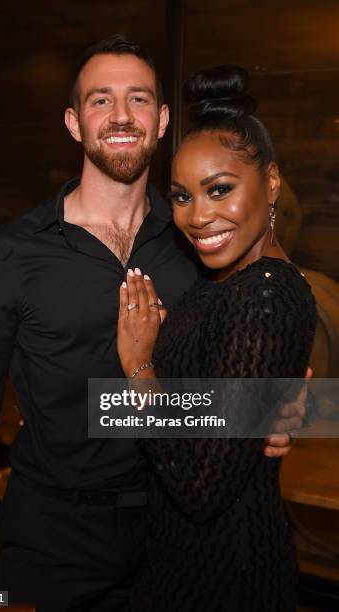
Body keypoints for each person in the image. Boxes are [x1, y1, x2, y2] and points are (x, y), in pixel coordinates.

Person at [0, 38, 302, 611]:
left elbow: (241, 362)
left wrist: (274, 409)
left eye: (138, 99)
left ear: (161, 120)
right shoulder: (11, 255)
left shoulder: (200, 245)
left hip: (176, 534)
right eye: (101, 100)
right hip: (54, 540)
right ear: (74, 122)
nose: (122, 115)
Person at [116, 65, 317, 611]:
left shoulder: (264, 293)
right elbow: (205, 421)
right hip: (181, 558)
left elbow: (201, 486)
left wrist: (138, 368)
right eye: (182, 196)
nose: (199, 217)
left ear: (271, 182)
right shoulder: (219, 284)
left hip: (224, 571)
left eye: (219, 189)